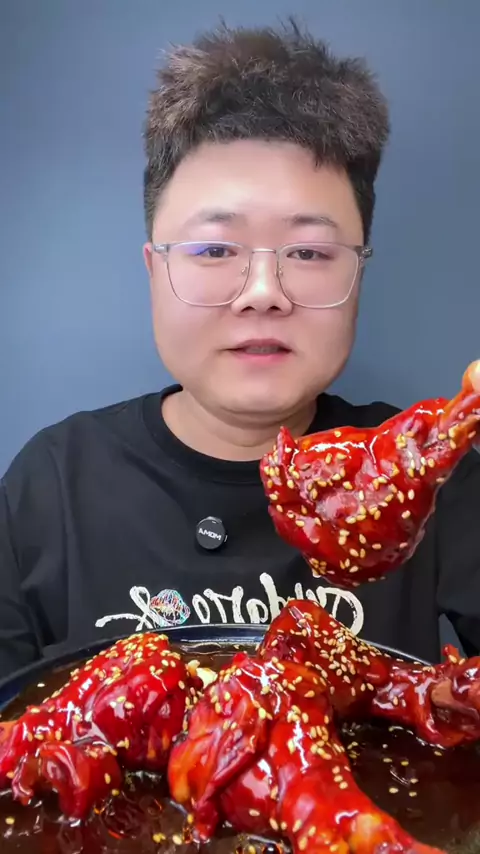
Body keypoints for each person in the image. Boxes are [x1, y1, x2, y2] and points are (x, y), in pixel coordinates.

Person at [1, 21, 479, 682]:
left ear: (359, 272)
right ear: (154, 270)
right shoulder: (52, 483)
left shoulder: (430, 480)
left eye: (309, 252)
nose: (262, 293)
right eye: (214, 249)